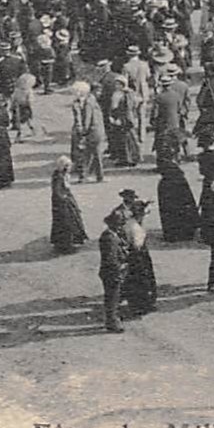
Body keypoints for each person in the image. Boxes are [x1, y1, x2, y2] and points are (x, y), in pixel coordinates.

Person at [115, 189, 158, 317]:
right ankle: (140, 305)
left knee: (141, 280)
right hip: (136, 254)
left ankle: (141, 303)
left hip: (139, 253)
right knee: (139, 280)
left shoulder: (133, 216)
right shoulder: (131, 224)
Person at [69, 80, 107, 185]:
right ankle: (98, 176)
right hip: (96, 130)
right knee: (95, 154)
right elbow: (89, 118)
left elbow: (86, 118)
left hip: (93, 131)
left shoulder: (88, 101)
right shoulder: (90, 101)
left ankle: (86, 176)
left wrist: (84, 132)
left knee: (88, 154)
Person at [49, 156, 88, 254]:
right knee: (66, 222)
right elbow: (57, 191)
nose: (70, 168)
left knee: (70, 220)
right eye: (69, 166)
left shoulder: (61, 175)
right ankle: (66, 244)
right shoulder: (59, 177)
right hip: (62, 203)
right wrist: (65, 198)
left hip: (65, 200)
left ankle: (69, 242)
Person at [98, 211, 128, 333]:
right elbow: (110, 258)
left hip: (111, 271)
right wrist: (120, 266)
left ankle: (113, 319)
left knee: (114, 297)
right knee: (112, 298)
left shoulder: (112, 235)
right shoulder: (109, 238)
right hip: (112, 272)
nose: (121, 226)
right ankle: (112, 322)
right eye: (119, 224)